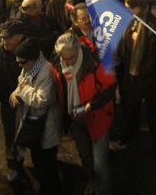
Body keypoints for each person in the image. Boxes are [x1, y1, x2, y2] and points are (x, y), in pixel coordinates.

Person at [55, 31, 116, 195]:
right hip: (76, 119)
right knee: (85, 156)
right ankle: (90, 181)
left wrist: (91, 105)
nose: (68, 62)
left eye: (72, 58)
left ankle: (103, 189)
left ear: (79, 51)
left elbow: (110, 89)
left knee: (100, 163)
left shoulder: (96, 62)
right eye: (64, 58)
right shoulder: (58, 63)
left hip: (98, 117)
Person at [111, 0, 156, 153]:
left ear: (139, 8)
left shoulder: (153, 28)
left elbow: (153, 58)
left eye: (129, 8)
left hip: (148, 79)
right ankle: (130, 135)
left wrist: (140, 74)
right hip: (131, 76)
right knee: (132, 109)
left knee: (153, 113)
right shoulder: (133, 21)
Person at [10, 37, 64, 194]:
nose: (19, 65)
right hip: (34, 125)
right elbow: (21, 84)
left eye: (22, 62)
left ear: (33, 59)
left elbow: (42, 100)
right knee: (37, 158)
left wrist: (24, 90)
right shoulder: (30, 67)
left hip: (46, 126)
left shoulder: (46, 72)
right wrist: (15, 94)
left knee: (47, 164)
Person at [0, 20, 27, 184]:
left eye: (8, 38)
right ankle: (13, 165)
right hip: (8, 103)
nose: (4, 42)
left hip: (27, 102)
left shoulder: (29, 50)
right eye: (3, 38)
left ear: (20, 37)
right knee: (10, 135)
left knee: (28, 132)